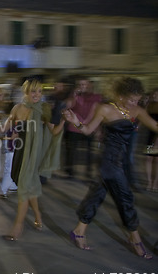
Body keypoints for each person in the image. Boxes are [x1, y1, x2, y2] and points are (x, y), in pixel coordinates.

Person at [63, 77, 156, 259]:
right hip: (108, 161)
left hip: (122, 162)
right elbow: (88, 130)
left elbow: (155, 125)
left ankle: (79, 231)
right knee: (125, 198)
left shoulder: (137, 110)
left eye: (137, 100)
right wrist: (75, 121)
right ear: (120, 96)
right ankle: (135, 238)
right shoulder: (105, 108)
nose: (134, 103)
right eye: (130, 99)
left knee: (96, 196)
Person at [1, 79, 65, 240]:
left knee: (24, 187)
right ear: (26, 92)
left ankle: (17, 227)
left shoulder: (43, 109)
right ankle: (38, 217)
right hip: (20, 153)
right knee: (28, 187)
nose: (37, 95)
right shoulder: (17, 108)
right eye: (33, 91)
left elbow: (54, 131)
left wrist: (65, 120)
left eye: (39, 91)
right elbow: (6, 127)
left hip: (34, 155)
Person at [64, 77, 102, 178]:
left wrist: (98, 129)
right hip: (74, 127)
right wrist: (74, 95)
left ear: (90, 85)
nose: (82, 87)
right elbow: (68, 105)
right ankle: (70, 170)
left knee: (90, 150)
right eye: (80, 85)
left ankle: (89, 171)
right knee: (72, 149)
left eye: (84, 84)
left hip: (90, 127)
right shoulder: (75, 96)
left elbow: (98, 112)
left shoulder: (96, 97)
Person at [145, 88, 158, 192]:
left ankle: (155, 183)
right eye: (154, 95)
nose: (154, 96)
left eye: (156, 95)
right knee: (149, 159)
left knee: (156, 160)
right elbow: (143, 117)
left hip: (157, 137)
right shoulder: (150, 106)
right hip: (150, 136)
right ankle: (149, 182)